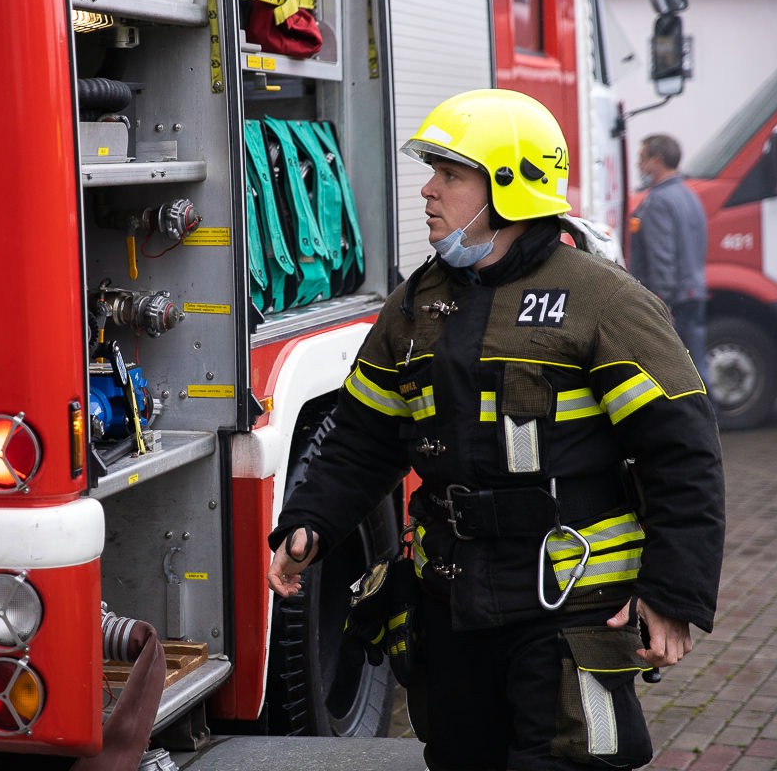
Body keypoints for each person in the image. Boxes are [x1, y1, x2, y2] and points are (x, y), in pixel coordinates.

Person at [266, 89, 725, 770]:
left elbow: (683, 454)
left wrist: (673, 592)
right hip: (450, 606)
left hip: (568, 606)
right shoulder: (416, 305)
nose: (428, 190)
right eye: (433, 172)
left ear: (508, 187)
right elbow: (363, 435)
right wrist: (310, 522)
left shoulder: (603, 301)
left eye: (450, 175)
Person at [629, 134, 711, 390]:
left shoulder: (658, 201)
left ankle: (702, 412)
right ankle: (709, 409)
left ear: (657, 160)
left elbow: (662, 257)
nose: (639, 165)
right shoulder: (689, 195)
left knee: (679, 372)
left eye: (642, 158)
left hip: (674, 300)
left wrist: (662, 304)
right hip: (692, 292)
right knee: (696, 364)